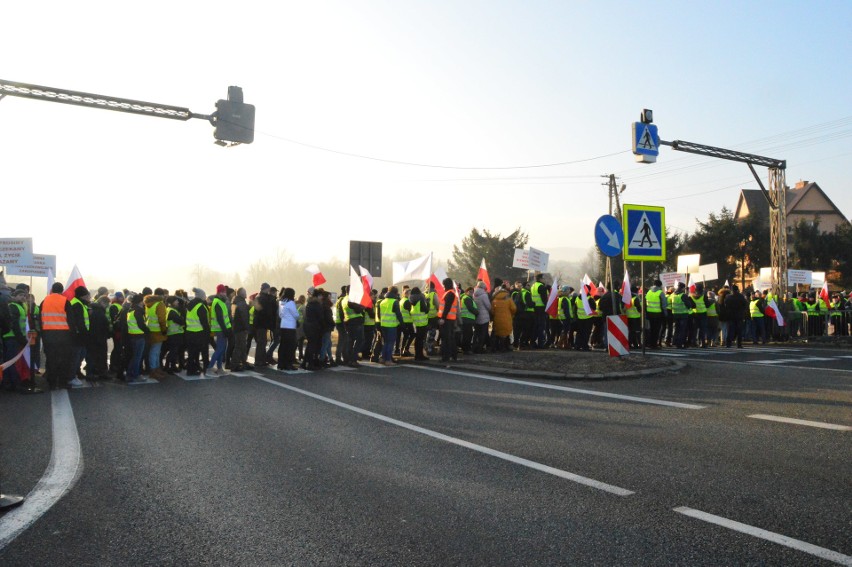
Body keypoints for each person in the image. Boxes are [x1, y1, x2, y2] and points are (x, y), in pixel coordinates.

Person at [143, 288, 169, 379]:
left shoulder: (148, 304)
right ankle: (154, 370)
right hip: (158, 331)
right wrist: (164, 330)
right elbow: (161, 319)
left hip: (150, 330)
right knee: (155, 352)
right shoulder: (160, 304)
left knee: (154, 351)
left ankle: (155, 369)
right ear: (161, 296)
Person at [208, 284, 233, 375]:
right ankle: (210, 367)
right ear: (219, 292)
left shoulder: (220, 302)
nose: (225, 293)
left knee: (221, 349)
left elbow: (225, 318)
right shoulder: (218, 302)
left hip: (223, 329)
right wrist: (226, 330)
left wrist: (228, 329)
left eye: (225, 292)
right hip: (221, 330)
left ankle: (219, 368)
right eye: (223, 292)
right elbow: (220, 318)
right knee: (220, 349)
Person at [185, 288, 211, 376]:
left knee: (192, 353)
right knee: (204, 352)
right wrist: (208, 334)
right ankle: (206, 368)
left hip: (189, 332)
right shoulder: (201, 306)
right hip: (200, 333)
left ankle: (191, 370)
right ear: (201, 296)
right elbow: (204, 322)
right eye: (204, 295)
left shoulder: (189, 305)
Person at [125, 293, 150, 382]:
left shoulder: (130, 310)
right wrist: (148, 331)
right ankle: (136, 375)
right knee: (137, 357)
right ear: (140, 301)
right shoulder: (138, 311)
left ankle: (129, 374)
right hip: (139, 336)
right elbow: (141, 324)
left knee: (134, 356)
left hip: (132, 335)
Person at [377, 286, 404, 365]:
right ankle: (388, 360)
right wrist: (402, 324)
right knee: (390, 343)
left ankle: (382, 358)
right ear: (395, 293)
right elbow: (398, 314)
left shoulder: (382, 301)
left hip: (383, 324)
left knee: (385, 342)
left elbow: (379, 314)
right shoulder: (394, 302)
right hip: (391, 325)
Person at [253, 283, 277, 367]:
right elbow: (266, 311)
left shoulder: (258, 297)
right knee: (261, 342)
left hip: (259, 323)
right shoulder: (264, 298)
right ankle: (259, 361)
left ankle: (261, 360)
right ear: (266, 289)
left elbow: (258, 310)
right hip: (261, 323)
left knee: (262, 342)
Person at [301, 288, 325, 370]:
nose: (322, 297)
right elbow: (321, 317)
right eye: (321, 296)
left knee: (310, 345)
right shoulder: (317, 304)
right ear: (318, 296)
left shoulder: (309, 303)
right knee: (313, 346)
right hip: (314, 326)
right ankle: (310, 364)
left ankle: (305, 362)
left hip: (308, 325)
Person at [490, 279, 516, 352]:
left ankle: (495, 347)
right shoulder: (508, 298)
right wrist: (512, 314)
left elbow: (492, 310)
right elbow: (514, 308)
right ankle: (504, 347)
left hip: (497, 319)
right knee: (506, 333)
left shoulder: (494, 299)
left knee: (497, 333)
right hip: (507, 318)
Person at [436, 278, 459, 362]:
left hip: (447, 320)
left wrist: (442, 318)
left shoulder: (449, 294)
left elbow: (447, 307)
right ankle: (453, 356)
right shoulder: (450, 293)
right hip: (450, 319)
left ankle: (446, 357)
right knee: (450, 338)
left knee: (446, 339)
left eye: (443, 284)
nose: (443, 286)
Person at [277, 287, 299, 370]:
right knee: (290, 346)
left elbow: (280, 315)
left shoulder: (281, 302)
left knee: (283, 346)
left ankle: (281, 364)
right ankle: (288, 364)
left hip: (283, 325)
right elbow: (296, 315)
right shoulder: (291, 303)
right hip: (290, 326)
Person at [341, 289, 365, 367]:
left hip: (348, 321)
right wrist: (363, 305)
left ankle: (349, 359)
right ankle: (353, 359)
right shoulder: (351, 299)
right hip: (356, 321)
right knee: (359, 340)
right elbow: (358, 310)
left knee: (351, 341)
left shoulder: (344, 299)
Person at [163, 295, 186, 373]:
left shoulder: (169, 309)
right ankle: (171, 367)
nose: (177, 302)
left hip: (173, 333)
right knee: (173, 351)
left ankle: (168, 366)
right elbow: (181, 321)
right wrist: (182, 319)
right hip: (175, 333)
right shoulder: (172, 311)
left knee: (173, 351)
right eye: (176, 301)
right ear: (172, 302)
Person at [231, 288, 251, 371]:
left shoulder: (235, 302)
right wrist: (247, 328)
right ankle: (235, 365)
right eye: (245, 292)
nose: (246, 294)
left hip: (236, 327)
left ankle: (243, 362)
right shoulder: (242, 303)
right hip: (241, 328)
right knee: (239, 346)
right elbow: (245, 318)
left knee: (242, 346)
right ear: (241, 294)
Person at [408, 286, 430, 360]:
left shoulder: (411, 298)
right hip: (422, 321)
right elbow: (426, 310)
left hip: (415, 321)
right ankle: (420, 355)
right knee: (421, 339)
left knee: (417, 339)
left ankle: (417, 355)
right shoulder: (421, 298)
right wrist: (428, 303)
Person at [644, 279, 667, 349]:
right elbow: (664, 304)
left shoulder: (648, 292)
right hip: (658, 314)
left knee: (651, 329)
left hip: (649, 313)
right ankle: (654, 344)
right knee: (656, 330)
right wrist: (665, 314)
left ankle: (650, 344)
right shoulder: (660, 293)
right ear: (660, 285)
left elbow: (645, 302)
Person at [472, 281, 491, 354]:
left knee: (476, 333)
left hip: (476, 316)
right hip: (484, 317)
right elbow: (488, 306)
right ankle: (480, 348)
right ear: (483, 287)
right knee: (483, 333)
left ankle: (474, 347)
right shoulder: (484, 295)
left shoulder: (474, 294)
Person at [458, 286, 478, 354]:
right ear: (466, 292)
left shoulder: (467, 298)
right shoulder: (467, 298)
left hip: (466, 319)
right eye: (470, 292)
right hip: (467, 319)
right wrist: (477, 312)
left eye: (472, 292)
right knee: (468, 335)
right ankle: (466, 349)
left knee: (467, 334)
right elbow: (471, 308)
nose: (471, 293)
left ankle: (465, 348)